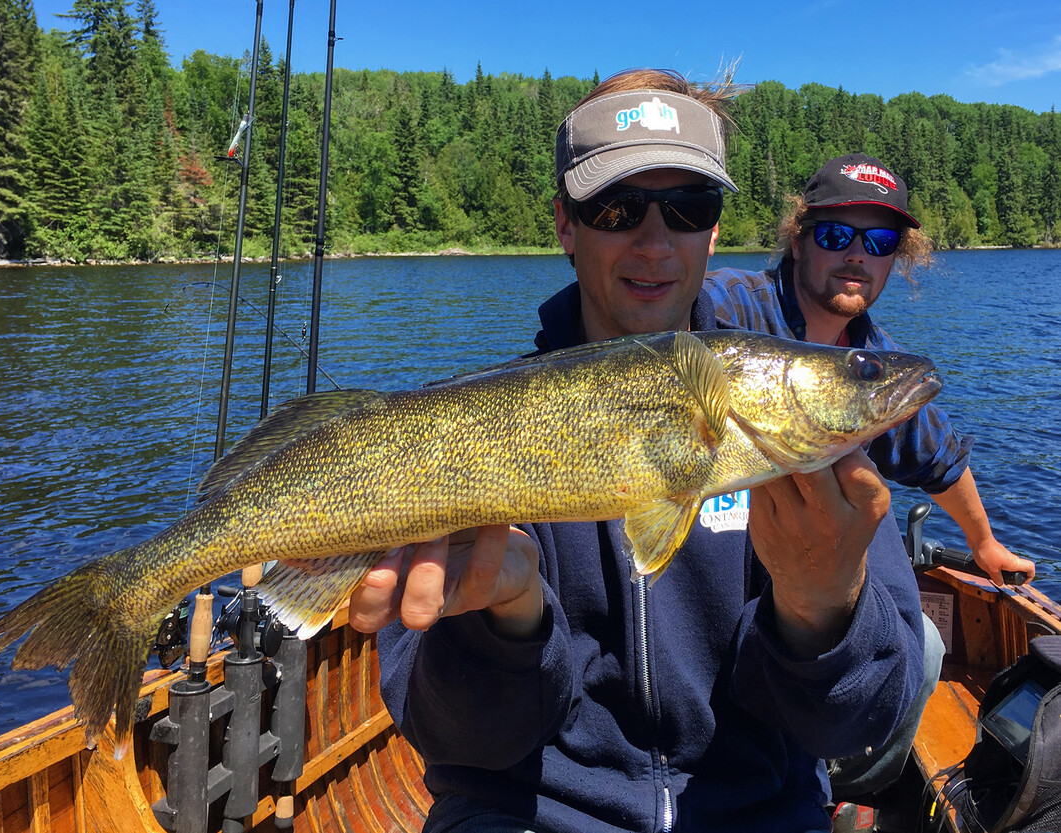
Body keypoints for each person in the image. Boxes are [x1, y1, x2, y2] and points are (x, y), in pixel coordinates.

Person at [347, 70, 926, 833]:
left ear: (714, 231)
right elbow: (458, 741)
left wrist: (822, 607)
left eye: (688, 207)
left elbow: (862, 723)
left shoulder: (809, 459)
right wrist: (508, 621)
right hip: (526, 811)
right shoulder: (481, 425)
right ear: (565, 225)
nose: (655, 241)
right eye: (617, 209)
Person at [703, 154, 1035, 588]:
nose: (857, 255)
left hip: (799, 582)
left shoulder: (875, 366)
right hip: (704, 573)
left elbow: (941, 458)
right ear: (799, 241)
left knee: (919, 634)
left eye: (880, 241)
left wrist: (984, 543)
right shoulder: (722, 306)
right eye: (835, 235)